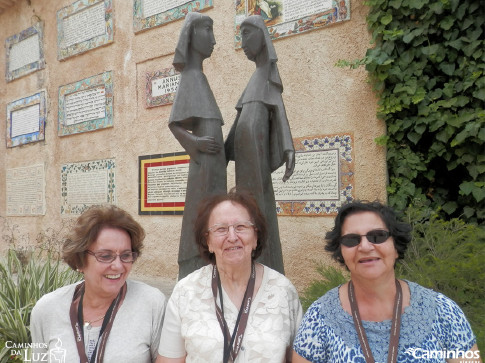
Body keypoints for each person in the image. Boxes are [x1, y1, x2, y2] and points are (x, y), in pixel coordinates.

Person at [292, 201, 482, 363]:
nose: (365, 247)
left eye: (377, 236)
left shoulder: (443, 312)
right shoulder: (320, 317)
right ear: (341, 251)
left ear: (396, 246)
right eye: (351, 240)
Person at [156, 189, 302, 362]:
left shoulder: (283, 291)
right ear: (208, 241)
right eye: (221, 229)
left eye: (241, 227)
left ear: (255, 237)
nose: (232, 237)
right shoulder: (185, 291)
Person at [30, 205, 167, 363]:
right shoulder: (47, 309)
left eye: (125, 255)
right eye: (105, 256)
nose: (118, 265)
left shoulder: (151, 304)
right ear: (80, 260)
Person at [225, 15, 295, 275]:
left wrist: (288, 147)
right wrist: (223, 151)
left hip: (257, 156)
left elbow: (279, 110)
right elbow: (239, 122)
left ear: (261, 37)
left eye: (246, 34)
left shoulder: (267, 75)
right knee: (245, 209)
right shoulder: (254, 78)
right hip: (245, 157)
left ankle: (265, 265)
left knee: (258, 211)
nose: (242, 42)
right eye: (240, 35)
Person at [169, 12, 227, 280]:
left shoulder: (199, 78)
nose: (213, 40)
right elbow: (175, 124)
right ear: (193, 36)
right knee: (202, 217)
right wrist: (197, 143)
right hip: (203, 169)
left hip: (213, 168)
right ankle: (196, 267)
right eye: (208, 31)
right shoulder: (191, 77)